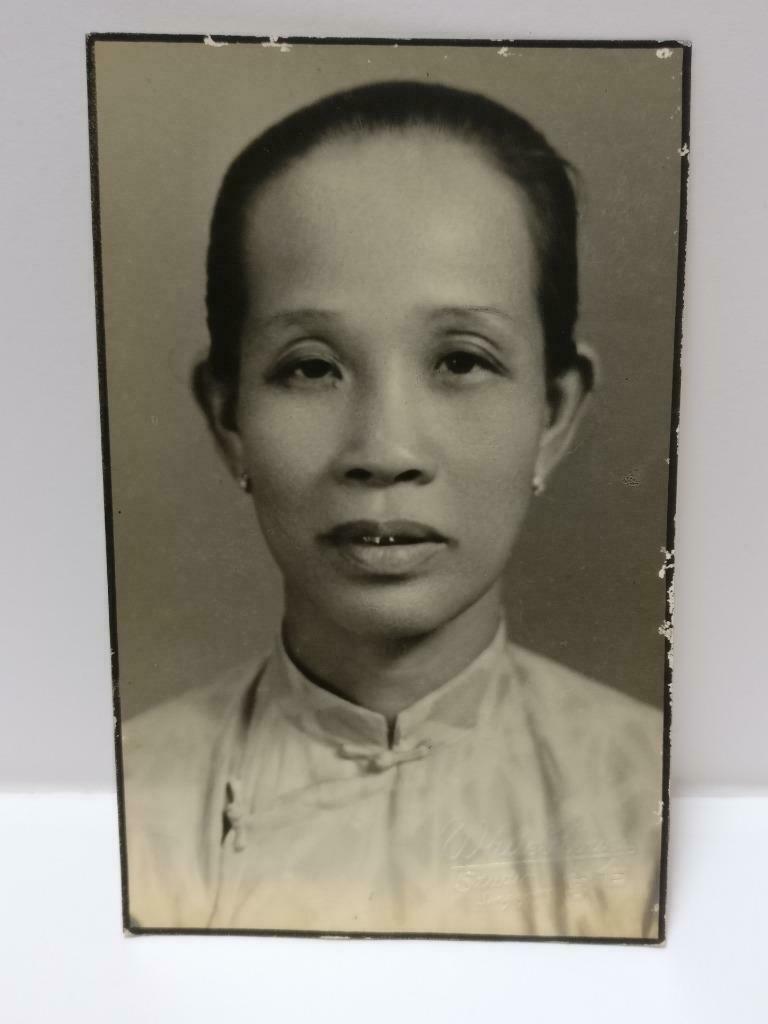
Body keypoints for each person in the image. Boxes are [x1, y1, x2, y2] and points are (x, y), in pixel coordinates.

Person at [122, 80, 664, 939]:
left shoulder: (667, 807)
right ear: (228, 416)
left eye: (460, 361)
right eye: (310, 368)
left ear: (555, 415)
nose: (383, 450)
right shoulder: (107, 807)